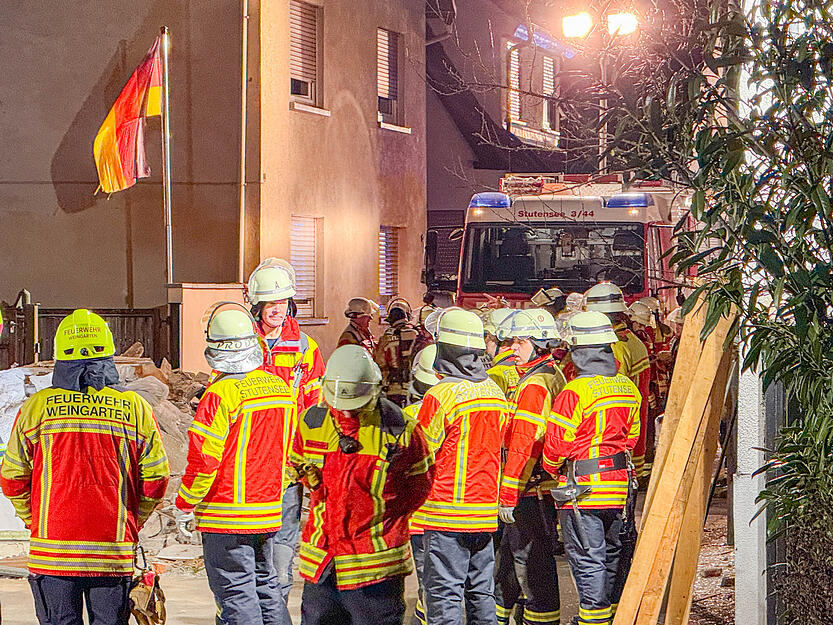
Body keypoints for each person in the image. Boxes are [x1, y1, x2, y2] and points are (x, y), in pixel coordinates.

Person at [0, 309, 169, 625]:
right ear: (109, 355)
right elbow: (156, 479)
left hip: (53, 554)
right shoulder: (136, 408)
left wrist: (34, 519)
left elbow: (11, 478)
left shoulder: (36, 408)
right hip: (112, 552)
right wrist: (133, 519)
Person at [291, 345, 434, 625]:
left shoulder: (400, 430)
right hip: (324, 563)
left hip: (376, 570)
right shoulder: (311, 420)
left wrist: (380, 519)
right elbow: (297, 467)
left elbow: (419, 488)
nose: (347, 414)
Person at [176, 304, 294, 625]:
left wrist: (185, 503)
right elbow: (287, 452)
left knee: (236, 592)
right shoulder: (280, 390)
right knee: (266, 584)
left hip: (225, 515)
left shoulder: (220, 395)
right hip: (268, 510)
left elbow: (204, 459)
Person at [542, 311, 641, 625]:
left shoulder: (575, 392)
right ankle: (609, 617)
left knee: (588, 559)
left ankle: (592, 620)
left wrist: (551, 468)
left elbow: (555, 447)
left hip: (582, 490)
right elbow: (634, 437)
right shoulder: (627, 387)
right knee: (612, 554)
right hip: (621, 487)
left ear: (579, 351)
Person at [414, 309, 510, 625]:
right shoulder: (494, 393)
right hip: (484, 510)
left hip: (446, 512)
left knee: (444, 593)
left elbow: (421, 451)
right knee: (481, 592)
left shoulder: (441, 395)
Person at [245, 259, 326, 602]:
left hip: (287, 459)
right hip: (249, 458)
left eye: (282, 302)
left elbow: (315, 410)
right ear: (257, 306)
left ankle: (275, 599)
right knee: (249, 533)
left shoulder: (306, 348)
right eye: (269, 303)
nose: (276, 309)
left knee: (284, 534)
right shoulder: (243, 342)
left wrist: (314, 459)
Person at [494, 309, 566, 625]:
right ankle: (515, 611)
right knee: (516, 556)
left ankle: (539, 616)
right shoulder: (551, 373)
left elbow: (523, 442)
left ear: (537, 343)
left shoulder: (534, 384)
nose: (513, 348)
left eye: (520, 341)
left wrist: (508, 494)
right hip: (539, 483)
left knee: (529, 556)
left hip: (526, 485)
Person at [584, 282, 651, 478]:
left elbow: (608, 394)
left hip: (612, 441)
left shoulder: (612, 346)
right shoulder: (633, 341)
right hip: (631, 433)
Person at [404, 345, 441, 625]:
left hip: (419, 514)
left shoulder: (408, 417)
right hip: (452, 509)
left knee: (427, 575)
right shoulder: (457, 403)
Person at [374, 297, 420, 407]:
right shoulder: (417, 333)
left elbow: (379, 362)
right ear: (407, 317)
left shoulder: (386, 338)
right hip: (414, 386)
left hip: (394, 388)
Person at [483, 308, 520, 399]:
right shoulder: (526, 368)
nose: (485, 341)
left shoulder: (494, 375)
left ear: (503, 343)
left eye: (488, 336)